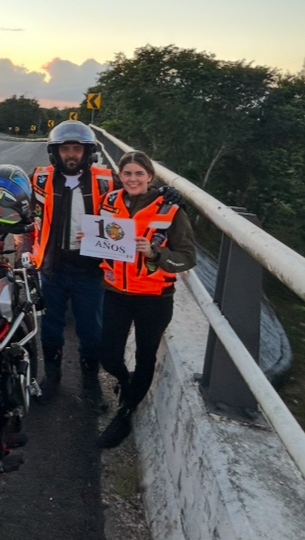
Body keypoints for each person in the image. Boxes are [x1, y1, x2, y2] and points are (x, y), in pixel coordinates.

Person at [97, 150, 196, 449]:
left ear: (150, 177)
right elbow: (105, 239)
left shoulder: (170, 210)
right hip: (116, 293)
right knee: (110, 356)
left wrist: (156, 254)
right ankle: (128, 385)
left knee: (145, 356)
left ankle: (126, 412)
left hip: (154, 297)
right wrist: (88, 241)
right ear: (120, 175)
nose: (132, 179)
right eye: (127, 173)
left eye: (139, 173)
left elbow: (187, 257)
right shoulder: (110, 202)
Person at [20, 120, 115, 409]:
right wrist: (23, 247)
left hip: (91, 268)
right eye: (65, 149)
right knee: (50, 326)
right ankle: (51, 378)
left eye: (77, 149)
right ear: (55, 152)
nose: (71, 155)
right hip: (52, 267)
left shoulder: (107, 180)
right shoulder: (39, 179)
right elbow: (23, 213)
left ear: (88, 152)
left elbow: (138, 195)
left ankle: (90, 384)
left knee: (92, 330)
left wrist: (167, 198)